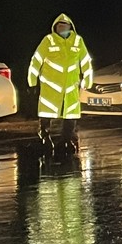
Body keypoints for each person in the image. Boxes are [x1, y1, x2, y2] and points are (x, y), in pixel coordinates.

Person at [27, 13, 93, 151]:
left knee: (71, 115)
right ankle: (44, 136)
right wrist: (32, 82)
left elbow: (85, 61)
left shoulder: (78, 41)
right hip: (50, 87)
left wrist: (88, 79)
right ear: (55, 27)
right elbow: (36, 60)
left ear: (70, 27)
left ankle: (67, 139)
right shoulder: (48, 40)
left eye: (65, 26)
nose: (62, 28)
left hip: (70, 87)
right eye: (59, 26)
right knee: (47, 113)